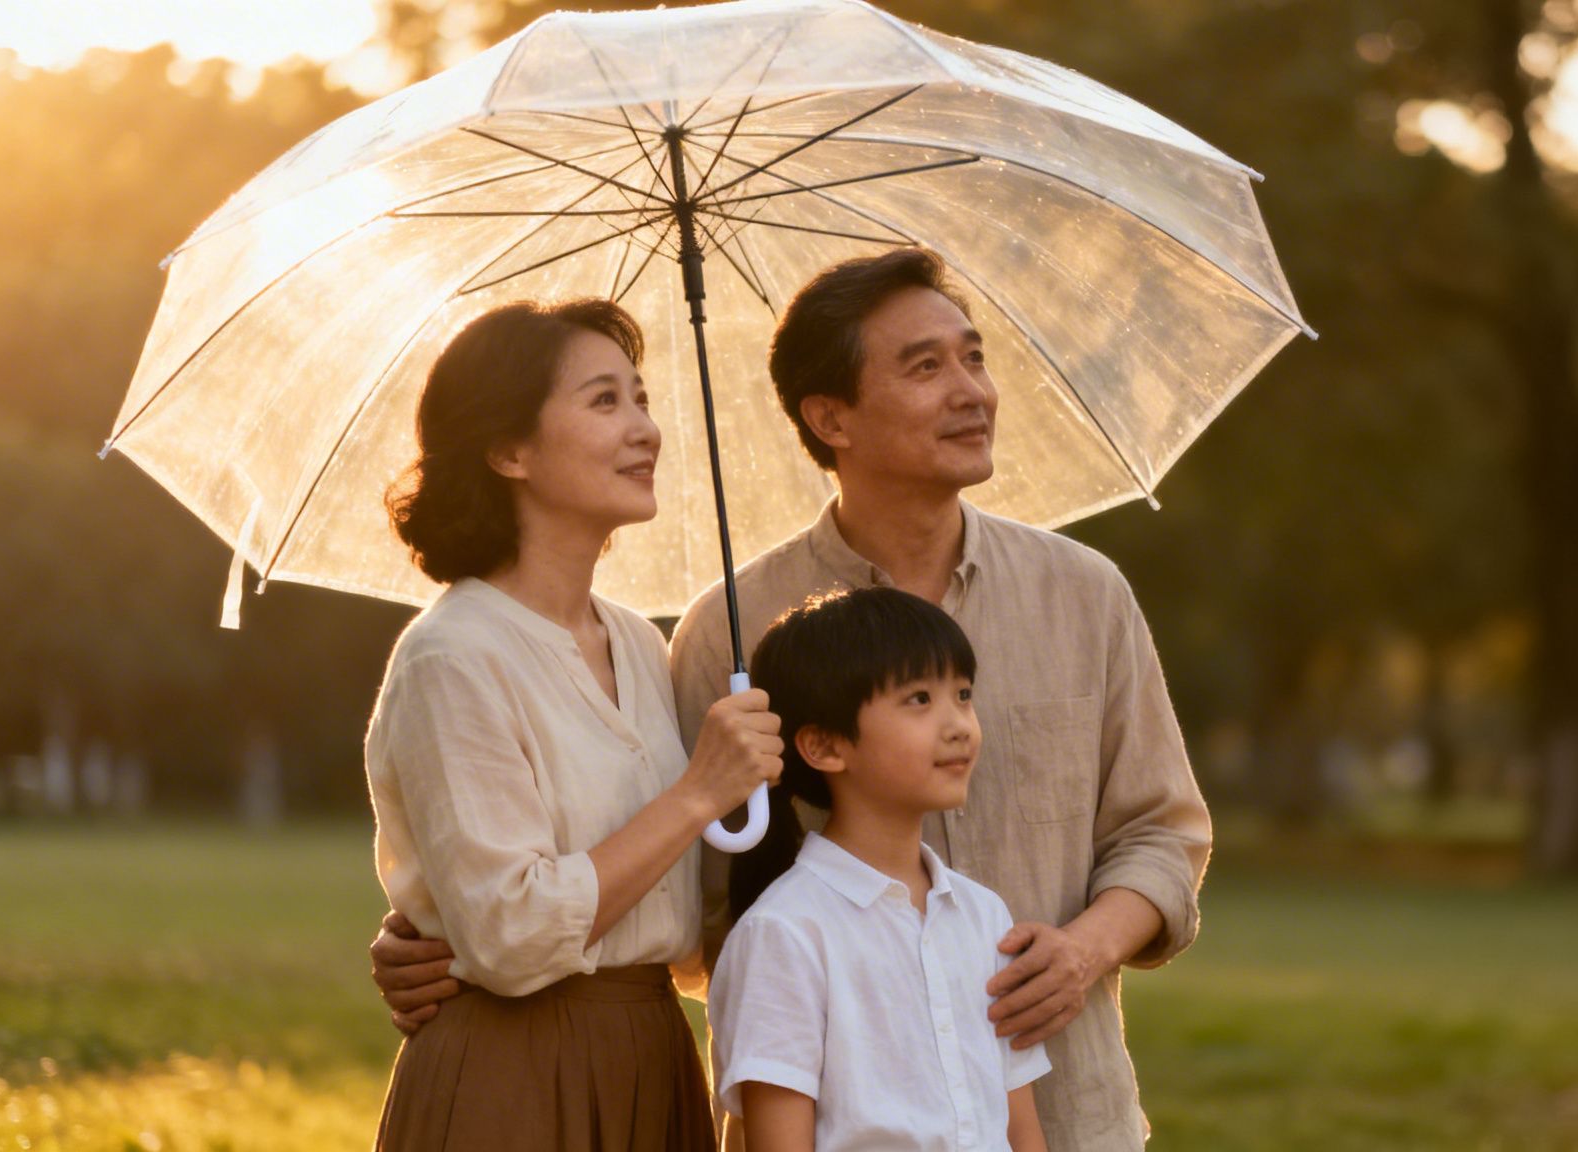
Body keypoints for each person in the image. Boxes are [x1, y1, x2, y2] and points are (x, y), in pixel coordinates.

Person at [375, 249, 1212, 1152]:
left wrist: (1085, 948)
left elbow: (1165, 834)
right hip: (827, 1121)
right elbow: (692, 904)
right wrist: (439, 933)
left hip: (1060, 1109)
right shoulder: (724, 635)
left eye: (973, 357)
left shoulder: (1082, 594)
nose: (971, 390)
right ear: (829, 415)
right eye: (925, 367)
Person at [364, 298, 783, 1151]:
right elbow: (511, 935)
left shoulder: (635, 640)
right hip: (515, 1075)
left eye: (642, 398)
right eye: (604, 402)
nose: (646, 429)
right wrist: (700, 792)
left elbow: (676, 917)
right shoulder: (453, 657)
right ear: (509, 450)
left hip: (651, 1054)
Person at [710, 586, 1049, 1151]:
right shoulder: (784, 933)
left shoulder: (984, 915)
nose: (960, 724)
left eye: (963, 695)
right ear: (823, 746)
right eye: (919, 699)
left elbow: (1020, 1128)